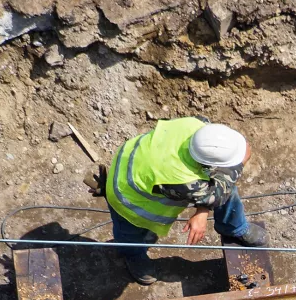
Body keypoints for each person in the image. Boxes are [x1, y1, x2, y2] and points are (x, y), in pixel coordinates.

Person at [104, 117, 267, 285]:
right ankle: (133, 256)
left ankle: (234, 227)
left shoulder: (197, 126)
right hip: (126, 194)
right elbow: (215, 196)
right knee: (130, 232)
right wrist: (238, 166)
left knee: (227, 186)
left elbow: (215, 191)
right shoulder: (180, 179)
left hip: (134, 156)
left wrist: (202, 213)